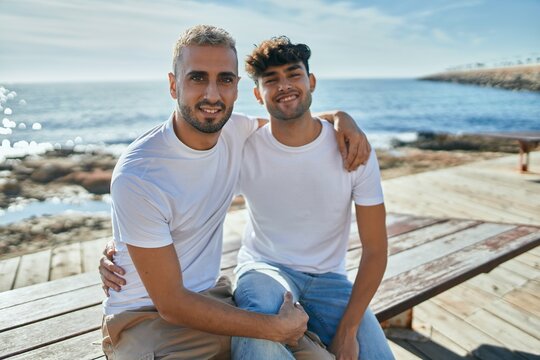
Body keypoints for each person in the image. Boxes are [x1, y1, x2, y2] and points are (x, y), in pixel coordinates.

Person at [100, 25, 369, 359]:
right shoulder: (140, 174)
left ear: (237, 87)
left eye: (225, 79)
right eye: (197, 78)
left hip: (213, 300)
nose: (213, 94)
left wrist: (342, 118)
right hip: (146, 319)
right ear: (173, 85)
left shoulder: (234, 131)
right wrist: (274, 329)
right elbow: (170, 303)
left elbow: (290, 120)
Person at [229, 37, 395, 360]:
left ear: (311, 81)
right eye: (271, 80)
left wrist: (347, 331)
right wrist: (121, 247)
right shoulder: (245, 148)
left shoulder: (353, 149)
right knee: (261, 335)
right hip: (264, 270)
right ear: (257, 94)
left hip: (330, 280)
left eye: (294, 75)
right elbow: (188, 199)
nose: (284, 86)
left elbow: (376, 249)